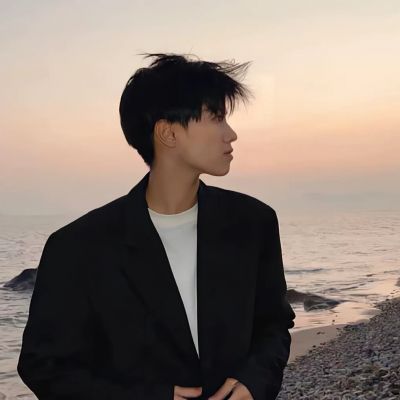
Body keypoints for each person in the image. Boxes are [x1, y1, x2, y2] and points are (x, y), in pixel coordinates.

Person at [17, 52, 296, 400]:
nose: (231, 134)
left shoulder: (253, 223)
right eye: (217, 117)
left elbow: (273, 324)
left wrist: (254, 381)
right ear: (167, 133)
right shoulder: (77, 247)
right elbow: (44, 366)